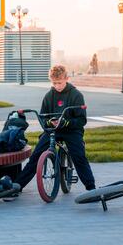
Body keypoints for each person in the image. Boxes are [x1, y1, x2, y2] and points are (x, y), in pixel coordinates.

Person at [9, 65, 96, 197]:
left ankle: (91, 187)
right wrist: (50, 122)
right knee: (36, 155)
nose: (57, 86)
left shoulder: (76, 95)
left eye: (60, 82)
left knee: (78, 156)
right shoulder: (49, 96)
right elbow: (44, 117)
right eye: (54, 83)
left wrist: (66, 122)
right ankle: (18, 185)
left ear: (67, 78)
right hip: (53, 130)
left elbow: (81, 120)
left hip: (71, 130)